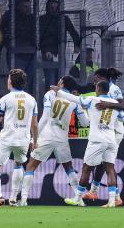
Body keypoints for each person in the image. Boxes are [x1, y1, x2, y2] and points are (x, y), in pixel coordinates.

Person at [20, 76, 89, 206]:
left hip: (48, 132)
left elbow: (45, 117)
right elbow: (85, 123)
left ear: (61, 84)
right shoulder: (74, 100)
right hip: (62, 135)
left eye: (59, 81)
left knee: (31, 165)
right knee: (68, 167)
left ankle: (23, 200)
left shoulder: (50, 94)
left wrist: (33, 138)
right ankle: (79, 200)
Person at [56, 80, 124, 208]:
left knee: (86, 168)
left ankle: (77, 198)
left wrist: (58, 92)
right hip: (111, 139)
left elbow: (74, 99)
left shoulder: (92, 100)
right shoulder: (115, 103)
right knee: (110, 169)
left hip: (96, 140)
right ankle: (111, 201)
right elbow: (122, 118)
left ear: (98, 90)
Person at [0, 69, 38, 207]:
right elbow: (35, 124)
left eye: (8, 79)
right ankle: (13, 197)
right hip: (23, 139)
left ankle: (0, 196)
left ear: (11, 81)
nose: (7, 81)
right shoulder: (32, 100)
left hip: (7, 138)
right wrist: (35, 140)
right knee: (19, 164)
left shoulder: (5, 99)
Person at [81, 68, 124, 205]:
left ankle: (103, 193)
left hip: (115, 130)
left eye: (95, 80)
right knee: (105, 163)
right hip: (107, 130)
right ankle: (106, 194)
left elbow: (123, 105)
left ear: (100, 78)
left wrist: (108, 104)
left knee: (107, 163)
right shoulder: (101, 91)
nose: (94, 83)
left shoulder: (113, 88)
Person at [0, 0, 37, 92]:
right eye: (25, 6)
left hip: (31, 54)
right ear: (18, 6)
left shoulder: (32, 18)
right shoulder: (8, 17)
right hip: (15, 54)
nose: (28, 9)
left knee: (30, 81)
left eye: (29, 6)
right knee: (17, 81)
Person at [38, 0, 81, 90]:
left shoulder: (63, 19)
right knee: (50, 77)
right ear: (48, 8)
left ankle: (58, 100)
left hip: (60, 52)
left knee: (60, 77)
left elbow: (73, 31)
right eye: (51, 7)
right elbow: (37, 35)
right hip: (47, 52)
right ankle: (50, 100)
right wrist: (41, 47)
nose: (53, 9)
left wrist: (76, 45)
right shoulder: (42, 19)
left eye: (55, 7)